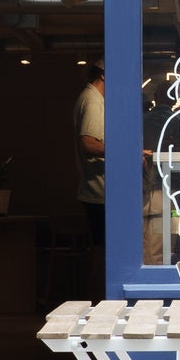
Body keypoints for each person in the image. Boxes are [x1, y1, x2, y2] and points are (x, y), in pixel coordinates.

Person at [74, 63, 107, 246]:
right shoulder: (93, 101)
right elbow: (88, 143)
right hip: (98, 192)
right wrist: (125, 154)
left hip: (97, 191)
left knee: (102, 249)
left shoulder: (93, 98)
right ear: (103, 75)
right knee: (103, 251)